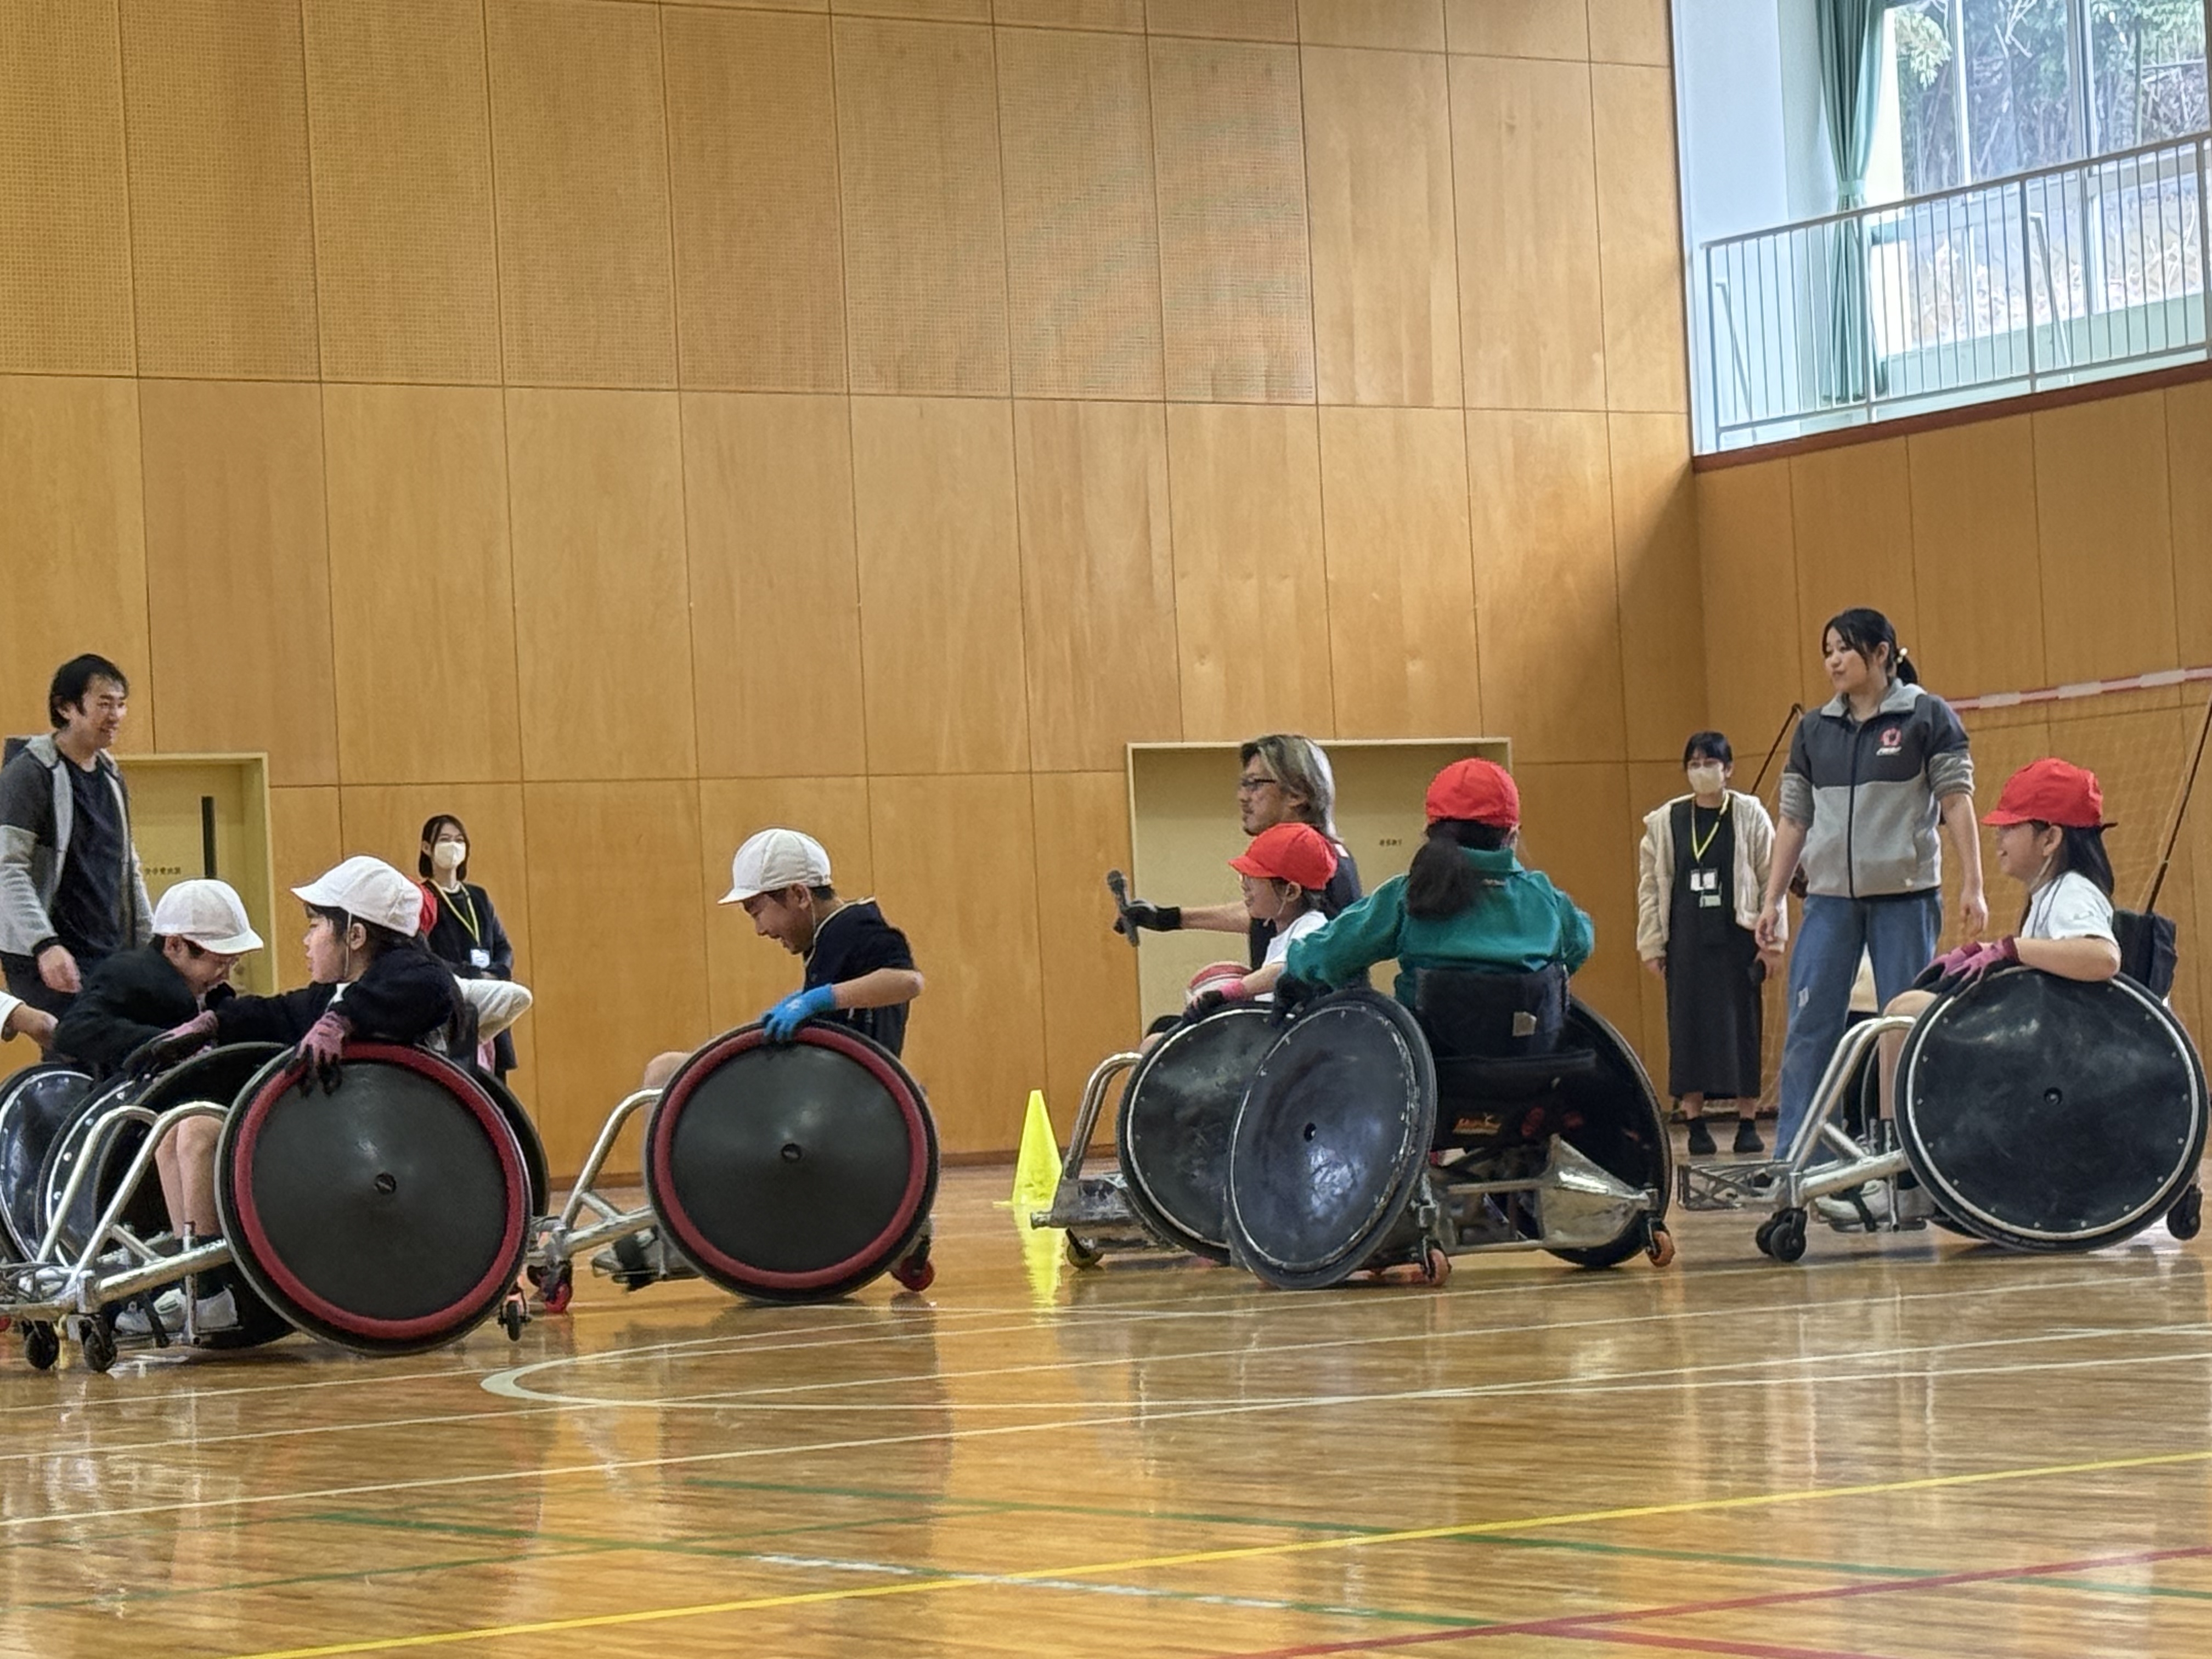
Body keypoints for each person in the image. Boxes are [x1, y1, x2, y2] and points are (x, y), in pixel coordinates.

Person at [1818, 759, 2120, 1231]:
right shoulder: (2050, 894)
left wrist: (2011, 950)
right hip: (2037, 1041)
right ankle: (1897, 1165)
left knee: (1902, 1017)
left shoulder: (2072, 892)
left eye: (2010, 828)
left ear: (2050, 839)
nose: (1998, 839)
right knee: (1901, 1011)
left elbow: (2102, 958)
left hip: (2054, 1055)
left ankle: (1905, 1182)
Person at [614, 829, 923, 1290]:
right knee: (668, 1070)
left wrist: (817, 1000)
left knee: (665, 1072)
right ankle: (682, 1220)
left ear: (798, 895)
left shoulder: (856, 927)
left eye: (757, 911)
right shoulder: (829, 938)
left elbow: (907, 982)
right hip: (821, 1088)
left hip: (841, 1102)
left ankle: (679, 1229)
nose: (760, 929)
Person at [1756, 609, 1983, 1158]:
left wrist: (1973, 884)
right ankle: (1801, 1158)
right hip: (1830, 903)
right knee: (1810, 1025)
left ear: (1881, 654)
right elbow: (1793, 820)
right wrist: (1772, 899)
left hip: (1906, 900)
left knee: (1903, 1025)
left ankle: (1907, 1158)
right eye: (1828, 651)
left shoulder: (1927, 717)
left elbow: (1956, 802)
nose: (1833, 661)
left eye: (1844, 649)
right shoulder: (1814, 729)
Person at [50, 880, 263, 1336]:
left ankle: (211, 1283)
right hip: (133, 1134)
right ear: (174, 946)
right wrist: (161, 1044)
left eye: (231, 961)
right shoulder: (128, 974)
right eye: (217, 960)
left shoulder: (217, 997)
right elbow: (73, 1032)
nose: (225, 970)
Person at [1280, 759, 1592, 1009]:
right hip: (1532, 1059)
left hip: (1433, 1061)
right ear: (1512, 834)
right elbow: (1581, 944)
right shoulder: (1546, 899)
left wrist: (1296, 963)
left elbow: (1328, 955)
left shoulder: (1409, 896)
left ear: (1430, 830)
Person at [1637, 732, 1780, 1156]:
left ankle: (1747, 1121)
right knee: (1688, 1029)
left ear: (1728, 769)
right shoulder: (1665, 821)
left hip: (1738, 937)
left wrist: (1772, 944)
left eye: (1710, 763)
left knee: (1743, 1028)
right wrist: (1652, 944)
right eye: (1694, 764)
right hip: (1686, 939)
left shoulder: (1749, 814)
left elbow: (1771, 879)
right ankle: (1694, 1121)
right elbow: (1650, 888)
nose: (1702, 771)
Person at [1113, 735, 1362, 969]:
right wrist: (1169, 918)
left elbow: (1321, 948)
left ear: (1297, 793)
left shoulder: (1322, 859)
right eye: (1243, 784)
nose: (1242, 797)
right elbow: (1265, 914)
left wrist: (1237, 990)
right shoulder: (1316, 857)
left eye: (1255, 784)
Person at [0, 654, 154, 1018]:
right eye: (104, 704)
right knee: (78, 1045)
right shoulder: (31, 773)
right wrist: (44, 944)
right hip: (47, 952)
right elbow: (7, 868)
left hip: (107, 950)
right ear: (66, 707)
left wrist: (151, 944)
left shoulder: (111, 775)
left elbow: (128, 867)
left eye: (121, 704)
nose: (115, 715)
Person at [1183, 822, 1337, 1015]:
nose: (1245, 886)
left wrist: (1227, 993)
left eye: (1253, 878)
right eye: (1244, 877)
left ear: (1291, 892)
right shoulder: (1283, 934)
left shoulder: (1313, 927)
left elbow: (1290, 967)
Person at [418, 814, 521, 1077]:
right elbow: (423, 955)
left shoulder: (478, 897)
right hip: (451, 1004)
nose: (453, 846)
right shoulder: (422, 899)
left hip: (489, 998)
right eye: (445, 840)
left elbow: (503, 947)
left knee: (494, 1091)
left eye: (459, 840)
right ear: (427, 847)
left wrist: (496, 973)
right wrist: (472, 975)